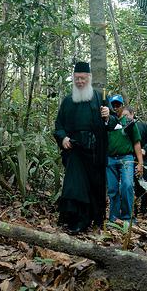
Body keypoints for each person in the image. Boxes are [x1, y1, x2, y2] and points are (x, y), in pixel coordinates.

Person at [54, 61, 117, 233]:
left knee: (94, 186)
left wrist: (107, 117)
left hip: (95, 151)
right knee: (75, 186)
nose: (80, 81)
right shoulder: (68, 101)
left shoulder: (99, 98)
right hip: (75, 151)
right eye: (77, 78)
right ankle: (77, 221)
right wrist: (63, 137)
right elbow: (58, 126)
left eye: (83, 78)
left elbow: (113, 124)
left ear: (89, 78)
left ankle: (95, 219)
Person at [106, 96, 143, 223]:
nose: (115, 108)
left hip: (126, 158)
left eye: (118, 105)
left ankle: (128, 217)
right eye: (113, 105)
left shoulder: (128, 122)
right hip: (110, 159)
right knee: (112, 189)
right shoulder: (107, 121)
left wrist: (140, 163)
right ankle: (114, 218)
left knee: (127, 185)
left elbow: (136, 143)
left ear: (122, 106)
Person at [123, 106, 147, 215]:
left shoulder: (143, 126)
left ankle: (144, 207)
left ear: (132, 114)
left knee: (145, 183)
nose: (125, 118)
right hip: (129, 160)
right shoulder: (122, 128)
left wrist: (145, 149)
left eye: (126, 115)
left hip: (143, 159)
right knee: (131, 185)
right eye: (123, 116)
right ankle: (134, 208)